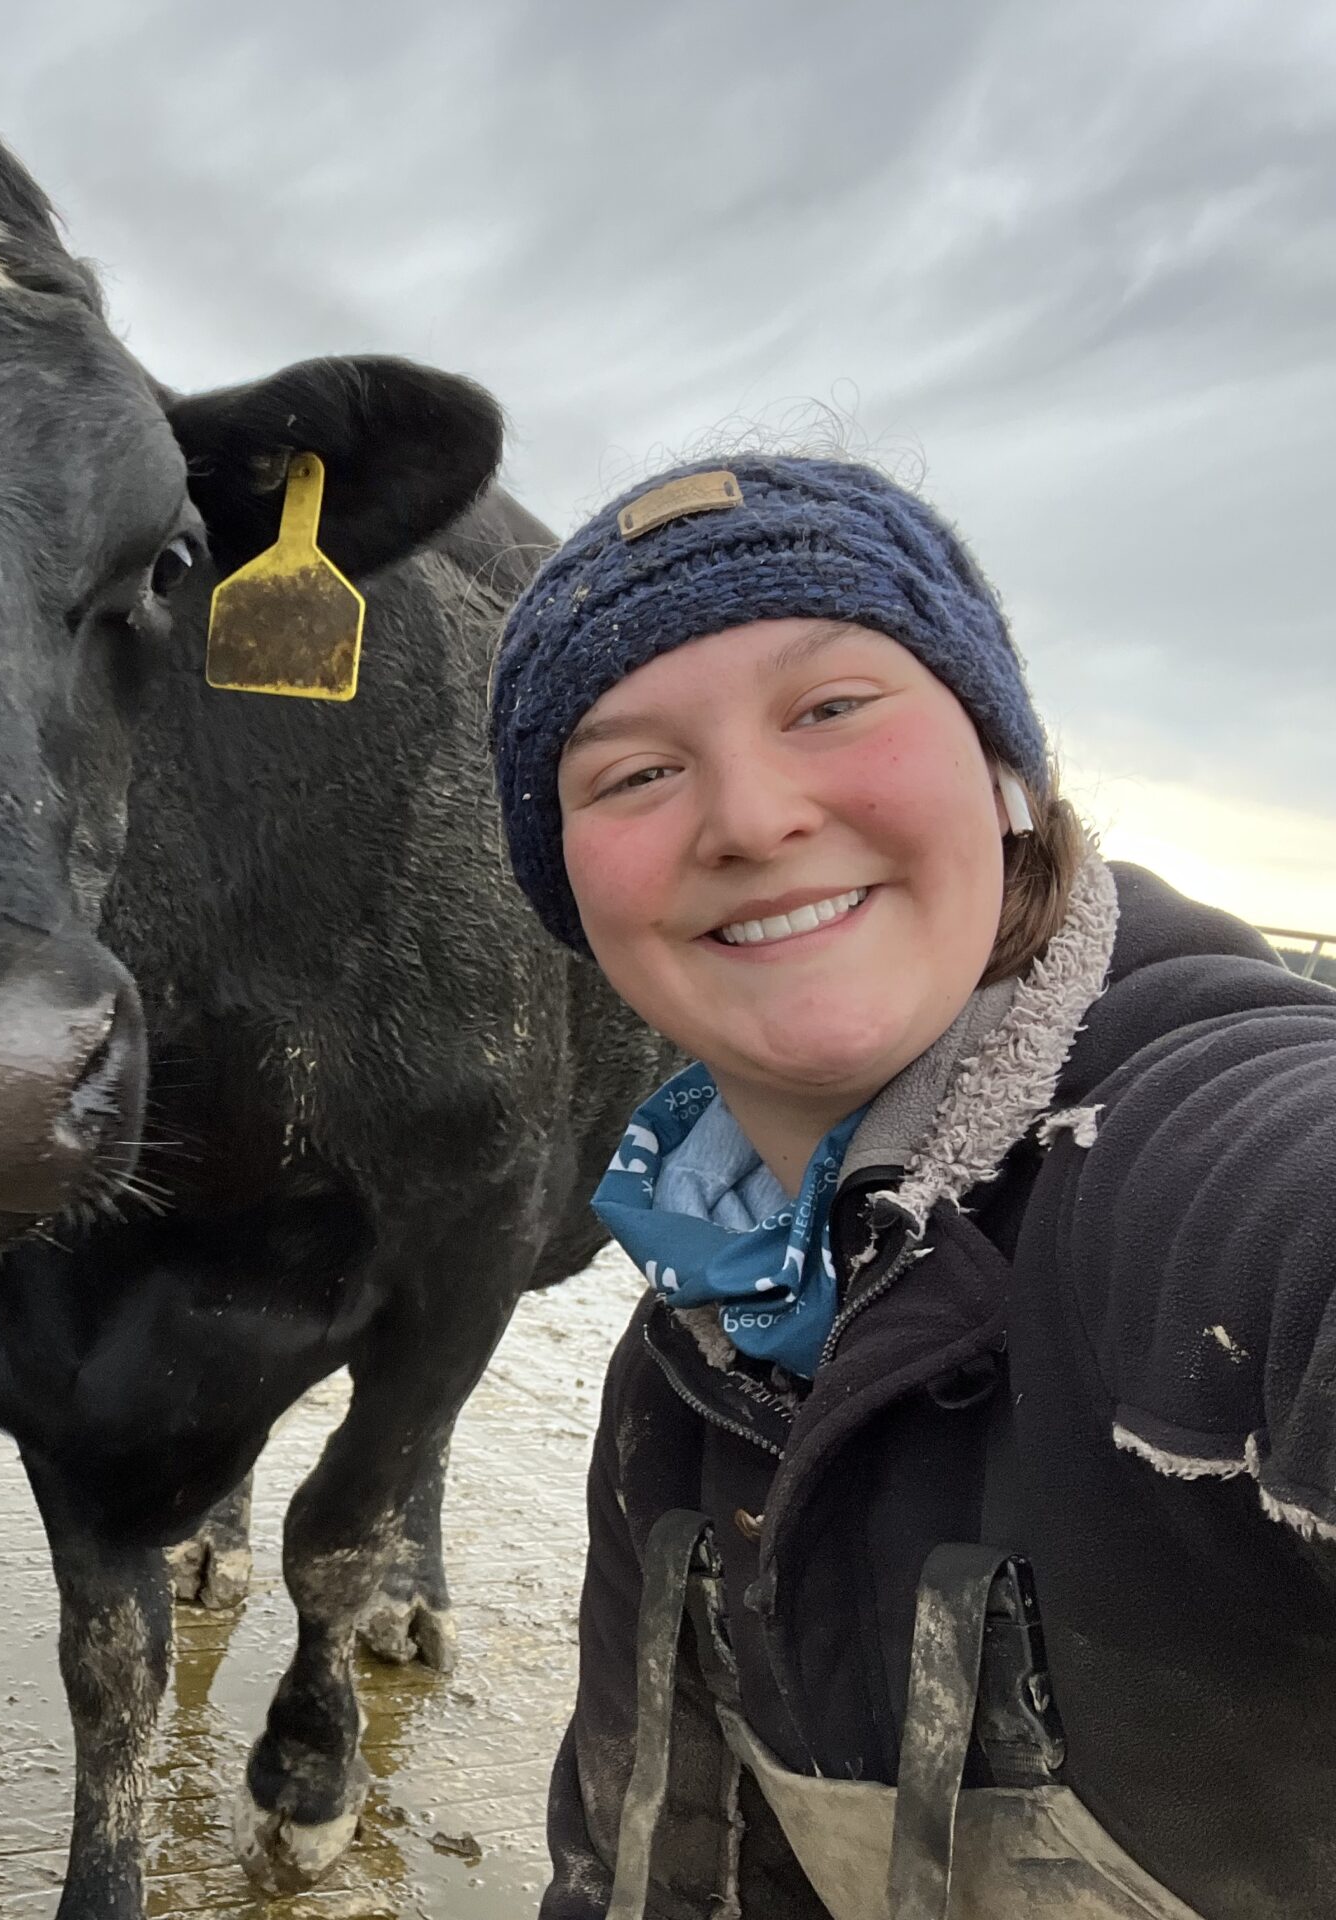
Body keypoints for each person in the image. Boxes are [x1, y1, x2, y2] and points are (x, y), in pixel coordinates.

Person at [486, 454, 1336, 1919]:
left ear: (1009, 769)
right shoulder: (688, 1362)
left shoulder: (1185, 1151)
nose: (749, 818)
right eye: (633, 772)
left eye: (830, 708)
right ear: (574, 901)